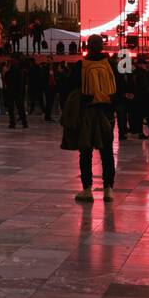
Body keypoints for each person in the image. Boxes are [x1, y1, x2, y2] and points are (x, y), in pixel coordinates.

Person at [62, 34, 118, 203]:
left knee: (85, 153)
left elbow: (70, 89)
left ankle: (87, 190)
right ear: (102, 46)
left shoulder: (81, 65)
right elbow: (119, 88)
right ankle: (108, 190)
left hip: (87, 113)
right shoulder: (110, 65)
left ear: (87, 47)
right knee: (107, 153)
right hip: (106, 114)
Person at [3, 58, 28, 128]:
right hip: (18, 92)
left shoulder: (8, 73)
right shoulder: (20, 72)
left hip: (10, 92)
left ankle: (12, 123)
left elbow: (6, 81)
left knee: (11, 108)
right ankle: (24, 123)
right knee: (21, 108)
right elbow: (22, 83)